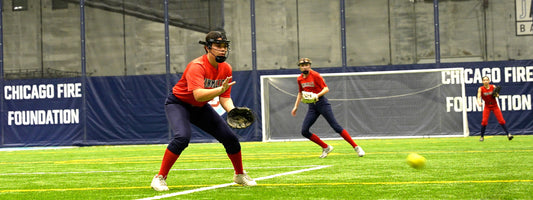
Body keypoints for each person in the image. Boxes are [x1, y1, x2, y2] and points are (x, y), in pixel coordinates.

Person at [151, 31, 256, 191]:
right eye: (218, 46)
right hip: (179, 104)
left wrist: (232, 110)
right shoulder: (197, 66)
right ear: (208, 48)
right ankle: (160, 177)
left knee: (230, 139)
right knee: (182, 137)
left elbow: (225, 97)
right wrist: (220, 88)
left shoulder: (226, 68)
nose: (222, 49)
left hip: (199, 107)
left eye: (225, 46)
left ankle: (239, 174)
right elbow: (198, 95)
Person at [290, 58, 365, 158]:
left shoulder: (315, 75)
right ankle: (326, 147)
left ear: (310, 65)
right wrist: (296, 106)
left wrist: (317, 95)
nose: (304, 67)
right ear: (299, 67)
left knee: (336, 127)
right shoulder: (300, 79)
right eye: (302, 65)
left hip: (322, 103)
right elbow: (300, 92)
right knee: (304, 131)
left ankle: (356, 147)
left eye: (306, 65)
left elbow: (326, 89)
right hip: (312, 106)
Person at [476, 76, 514, 142]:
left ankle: (508, 134)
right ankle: (482, 136)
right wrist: (479, 102)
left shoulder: (493, 87)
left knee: (501, 120)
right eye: (484, 80)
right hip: (487, 106)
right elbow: (478, 97)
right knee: (484, 121)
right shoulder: (481, 89)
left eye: (487, 80)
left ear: (489, 81)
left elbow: (497, 95)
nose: (485, 81)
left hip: (495, 106)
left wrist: (496, 94)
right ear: (482, 81)